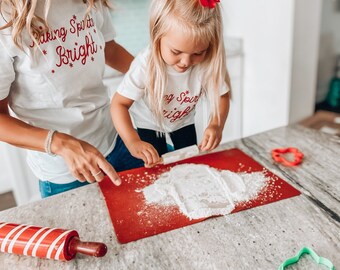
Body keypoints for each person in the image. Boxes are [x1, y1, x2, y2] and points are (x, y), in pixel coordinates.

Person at [0, 0, 141, 198]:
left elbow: (108, 48)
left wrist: (153, 80)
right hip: (66, 172)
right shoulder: (5, 18)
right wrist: (61, 143)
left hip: (116, 139)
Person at [111, 0, 231, 167]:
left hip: (184, 122)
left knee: (189, 164)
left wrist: (216, 124)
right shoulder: (144, 65)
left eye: (198, 53)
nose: (186, 62)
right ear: (157, 36)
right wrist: (132, 141)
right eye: (176, 52)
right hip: (150, 124)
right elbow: (118, 104)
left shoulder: (205, 64)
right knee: (156, 167)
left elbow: (222, 96)